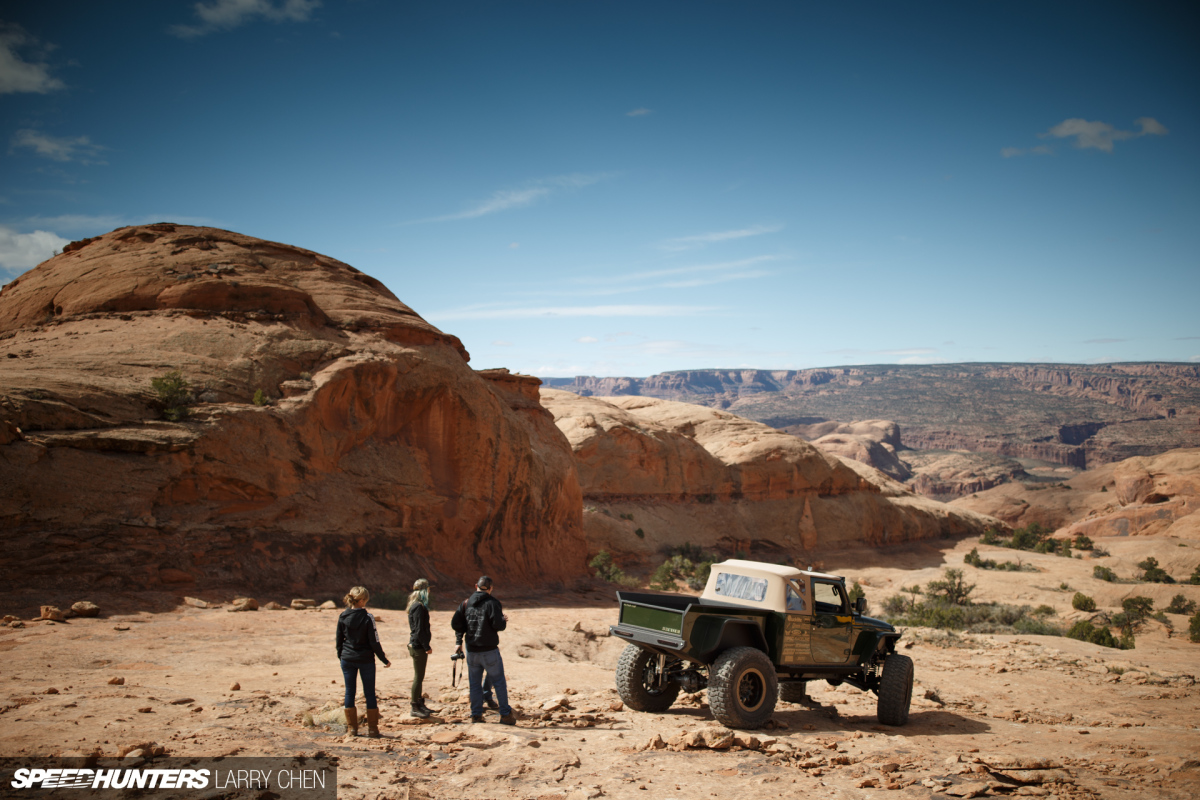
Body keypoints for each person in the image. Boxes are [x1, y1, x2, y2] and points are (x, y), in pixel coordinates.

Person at [451, 575, 515, 725]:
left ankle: (476, 715)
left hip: (472, 651)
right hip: (489, 650)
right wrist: (503, 620)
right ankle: (505, 714)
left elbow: (456, 624)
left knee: (474, 684)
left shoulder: (466, 603)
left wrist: (458, 642)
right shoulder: (493, 603)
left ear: (476, 586)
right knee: (499, 682)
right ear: (491, 588)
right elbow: (498, 626)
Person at [336, 585, 390, 737]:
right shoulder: (368, 618)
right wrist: (383, 659)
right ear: (363, 600)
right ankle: (372, 729)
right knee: (370, 693)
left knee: (349, 692)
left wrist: (342, 656)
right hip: (365, 660)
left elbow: (339, 640)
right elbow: (374, 641)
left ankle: (352, 729)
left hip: (347, 659)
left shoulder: (343, 616)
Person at [407, 578, 436, 718]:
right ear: (424, 591)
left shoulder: (416, 605)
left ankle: (420, 704)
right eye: (428, 589)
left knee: (420, 676)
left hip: (417, 645)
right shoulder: (419, 607)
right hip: (418, 646)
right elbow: (419, 630)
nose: (430, 591)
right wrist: (426, 646)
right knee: (418, 677)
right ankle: (414, 706)